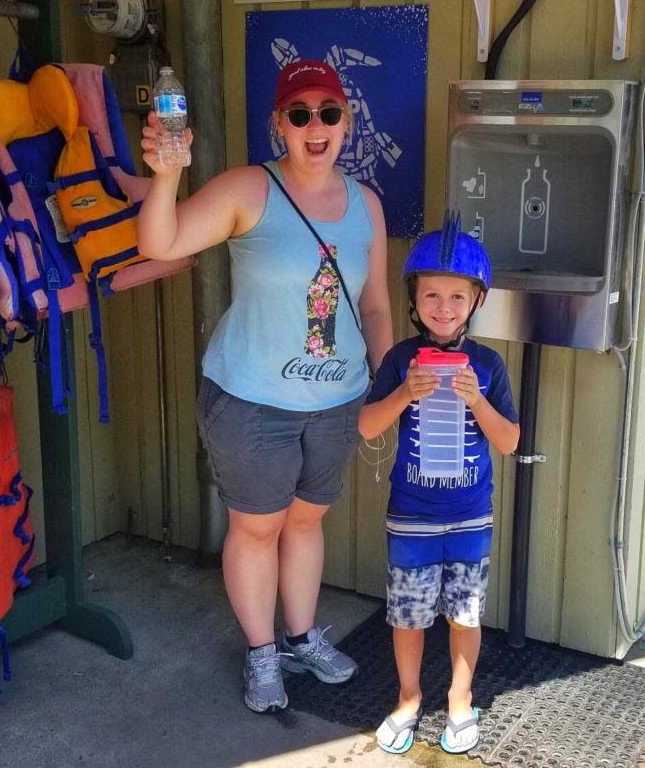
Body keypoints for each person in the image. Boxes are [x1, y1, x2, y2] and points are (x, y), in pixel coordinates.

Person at [137, 59, 392, 714]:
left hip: (336, 403)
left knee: (306, 524)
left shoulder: (366, 205)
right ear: (279, 124)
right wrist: (166, 178)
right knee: (256, 531)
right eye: (300, 113)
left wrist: (387, 383)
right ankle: (261, 653)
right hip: (254, 403)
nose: (316, 126)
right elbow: (160, 243)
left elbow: (376, 306)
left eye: (328, 113)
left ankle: (302, 637)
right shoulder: (249, 189)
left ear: (347, 121)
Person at [358, 213, 520, 755]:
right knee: (408, 616)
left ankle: (459, 698)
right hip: (412, 517)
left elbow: (510, 440)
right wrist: (405, 393)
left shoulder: (489, 365)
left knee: (465, 613)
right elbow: (367, 425)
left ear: (476, 301)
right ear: (415, 298)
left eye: (456, 296)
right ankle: (408, 698)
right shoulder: (401, 359)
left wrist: (476, 399)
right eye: (432, 295)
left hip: (471, 516)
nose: (443, 308)